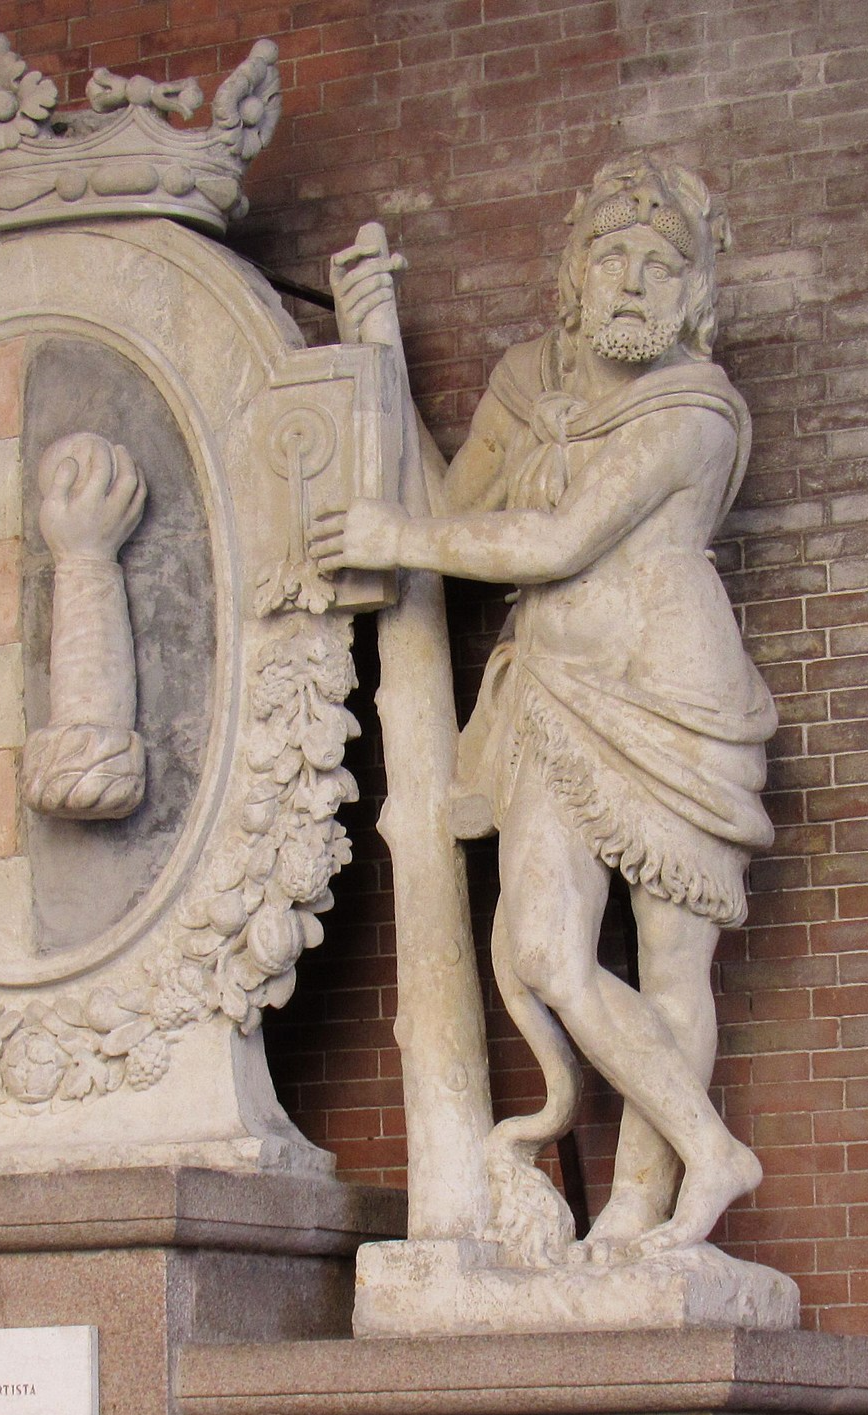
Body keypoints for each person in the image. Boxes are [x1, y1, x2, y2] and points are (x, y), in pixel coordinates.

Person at [315, 158, 775, 1263]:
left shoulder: (697, 413)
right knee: (543, 948)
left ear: (694, 296)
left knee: (672, 966)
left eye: (662, 267)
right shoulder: (527, 384)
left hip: (675, 700)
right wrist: (374, 346)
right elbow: (444, 510)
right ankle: (714, 1149)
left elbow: (556, 540)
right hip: (553, 693)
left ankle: (637, 1211)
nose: (632, 283)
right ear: (571, 278)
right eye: (610, 258)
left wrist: (400, 537)